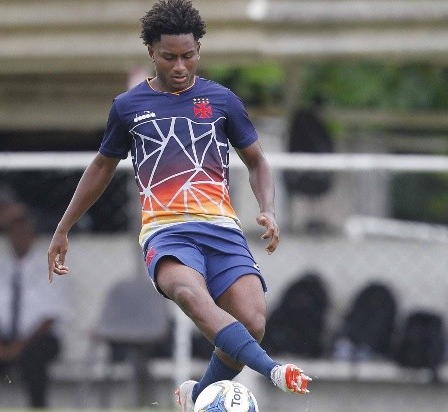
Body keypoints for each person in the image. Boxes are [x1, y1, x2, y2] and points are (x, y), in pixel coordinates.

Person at [46, 0, 311, 410]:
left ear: (198, 50)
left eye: (188, 55)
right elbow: (100, 167)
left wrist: (268, 209)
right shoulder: (128, 107)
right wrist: (63, 228)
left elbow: (257, 162)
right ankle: (274, 371)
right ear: (151, 52)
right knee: (188, 291)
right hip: (166, 231)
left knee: (253, 321)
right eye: (169, 57)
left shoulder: (222, 100)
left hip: (221, 229)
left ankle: (197, 395)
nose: (180, 66)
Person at [0, 202, 70, 408]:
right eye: (14, 232)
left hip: (38, 338)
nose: (19, 236)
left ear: (33, 235)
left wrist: (20, 346)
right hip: (4, 337)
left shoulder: (52, 267)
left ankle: (37, 408)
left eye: (24, 231)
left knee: (35, 356)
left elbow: (50, 318)